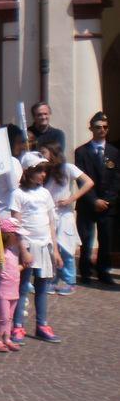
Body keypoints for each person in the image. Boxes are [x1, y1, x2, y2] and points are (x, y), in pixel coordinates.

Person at [11, 152, 64, 344]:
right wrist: (23, 249)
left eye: (44, 171)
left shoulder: (45, 193)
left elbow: (51, 223)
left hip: (45, 245)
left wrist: (55, 250)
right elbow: (16, 224)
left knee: (42, 286)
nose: (43, 174)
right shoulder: (18, 194)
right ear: (28, 171)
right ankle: (17, 325)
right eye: (39, 170)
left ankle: (42, 324)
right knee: (23, 286)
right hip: (28, 245)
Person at [41, 142, 94, 296]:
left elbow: (88, 182)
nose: (42, 156)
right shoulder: (43, 171)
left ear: (52, 153)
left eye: (44, 152)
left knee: (65, 247)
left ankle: (69, 281)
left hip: (64, 214)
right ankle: (54, 279)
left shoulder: (67, 168)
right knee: (51, 247)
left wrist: (71, 199)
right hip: (49, 214)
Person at [74, 112, 118, 286]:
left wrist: (107, 200)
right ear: (91, 128)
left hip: (107, 205)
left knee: (106, 240)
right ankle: (85, 272)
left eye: (105, 127)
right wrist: (94, 201)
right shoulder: (81, 152)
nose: (102, 130)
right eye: (98, 127)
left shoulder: (114, 152)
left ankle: (103, 271)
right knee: (86, 239)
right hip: (87, 203)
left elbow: (117, 179)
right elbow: (80, 179)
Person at [0, 217, 25, 353]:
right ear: (9, 236)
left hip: (14, 291)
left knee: (10, 317)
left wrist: (23, 265)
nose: (19, 238)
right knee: (4, 317)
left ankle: (7, 338)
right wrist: (0, 265)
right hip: (3, 292)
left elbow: (14, 270)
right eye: (17, 236)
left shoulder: (13, 253)